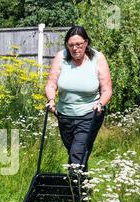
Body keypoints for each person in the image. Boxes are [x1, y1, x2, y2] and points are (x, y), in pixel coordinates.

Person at [45, 25, 112, 173]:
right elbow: (51, 84)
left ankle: (73, 192)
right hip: (64, 115)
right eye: (71, 45)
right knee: (78, 153)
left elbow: (107, 90)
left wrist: (100, 104)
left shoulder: (97, 58)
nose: (75, 48)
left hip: (90, 115)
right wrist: (51, 100)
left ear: (86, 43)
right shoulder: (61, 57)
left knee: (77, 154)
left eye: (78, 44)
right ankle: (84, 189)